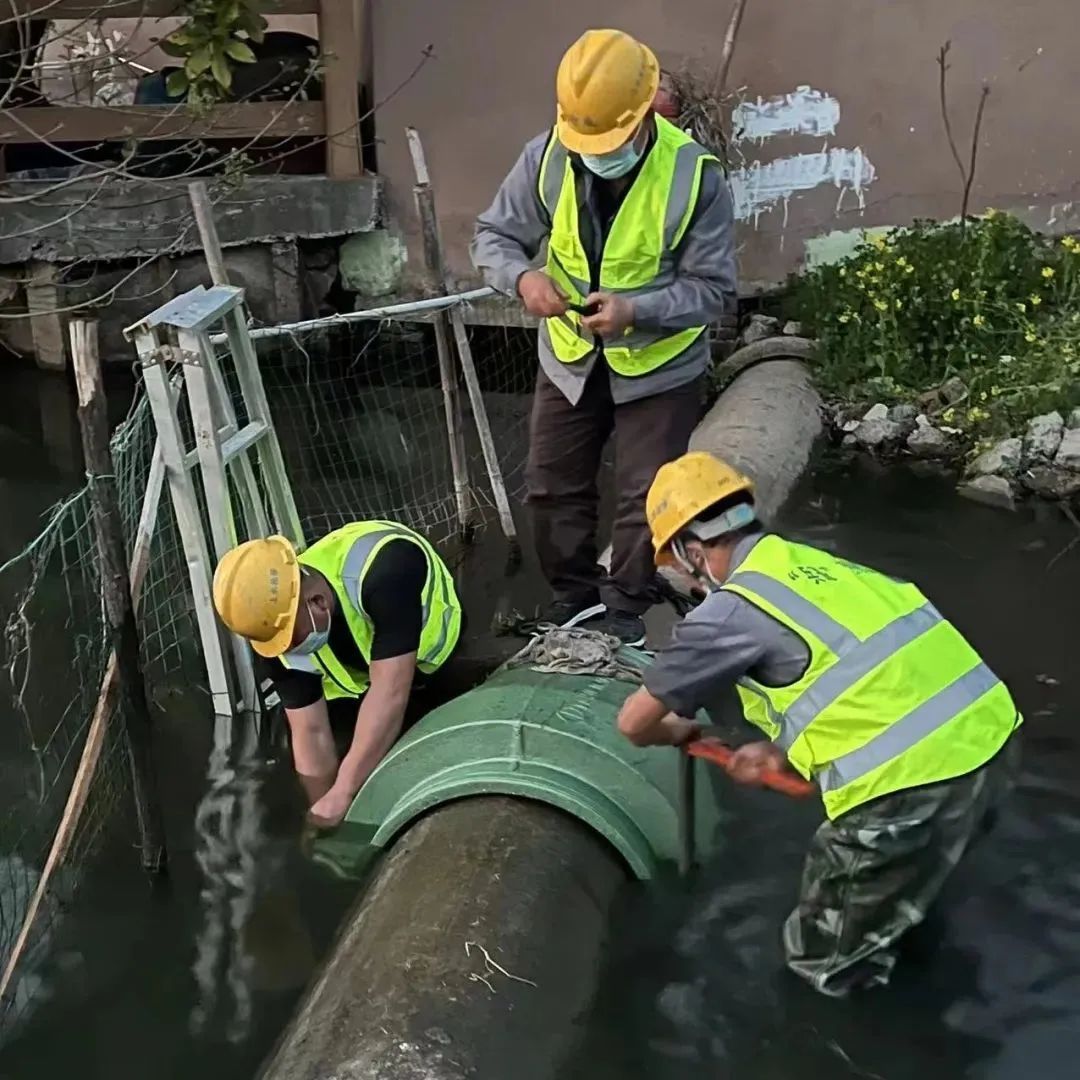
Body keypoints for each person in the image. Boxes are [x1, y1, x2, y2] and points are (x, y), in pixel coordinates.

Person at [616, 451, 1022, 996]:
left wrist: (685, 734)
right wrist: (779, 752)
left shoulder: (730, 609)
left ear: (693, 550)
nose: (685, 585)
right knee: (911, 905)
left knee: (823, 964)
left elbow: (635, 722)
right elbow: (860, 675)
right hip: (993, 743)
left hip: (911, 786)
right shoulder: (818, 566)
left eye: (676, 568)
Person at [472, 28, 736, 647]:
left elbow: (715, 290)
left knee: (648, 497)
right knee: (551, 486)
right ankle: (573, 599)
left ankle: (624, 612)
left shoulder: (696, 178)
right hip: (569, 357)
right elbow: (493, 237)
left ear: (646, 109)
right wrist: (523, 278)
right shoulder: (546, 156)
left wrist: (636, 311)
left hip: (658, 367)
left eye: (610, 138)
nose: (598, 151)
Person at [212, 520, 462, 828]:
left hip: (433, 657)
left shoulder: (386, 571)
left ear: (316, 602)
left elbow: (391, 691)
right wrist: (323, 809)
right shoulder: (272, 626)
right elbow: (309, 731)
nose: (285, 649)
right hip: (360, 681)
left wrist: (344, 791)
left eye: (291, 639)